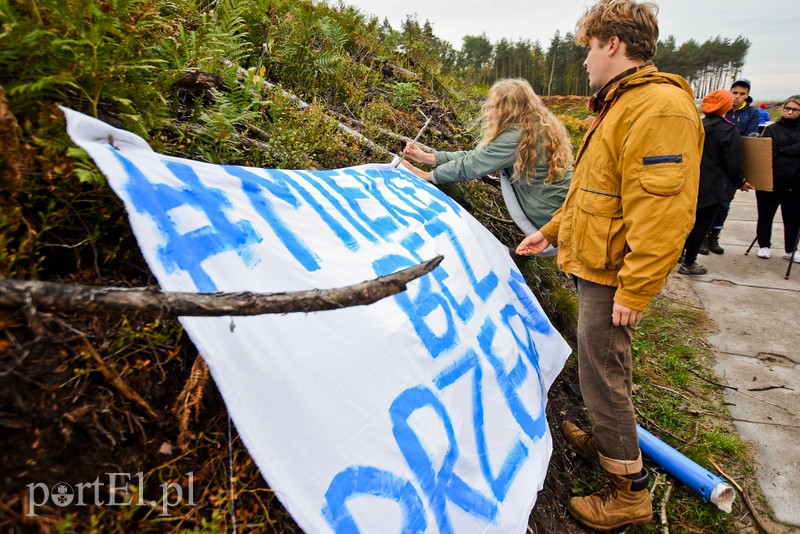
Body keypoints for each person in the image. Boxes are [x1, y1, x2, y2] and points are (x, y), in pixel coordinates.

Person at [515, 0, 703, 529]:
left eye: (591, 48)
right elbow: (594, 191)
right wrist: (552, 231)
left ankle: (628, 491)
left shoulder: (658, 109)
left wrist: (636, 288)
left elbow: (663, 213)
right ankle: (607, 443)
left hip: (613, 273)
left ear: (613, 44)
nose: (585, 61)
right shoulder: (624, 103)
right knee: (601, 367)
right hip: (597, 262)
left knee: (603, 376)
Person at [399, 78, 573, 241]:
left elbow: (472, 165)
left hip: (553, 215)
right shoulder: (534, 128)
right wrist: (428, 157)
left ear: (509, 110)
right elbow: (478, 157)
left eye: (492, 107)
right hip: (563, 210)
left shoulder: (516, 138)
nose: (488, 113)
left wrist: (428, 176)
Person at [679, 90, 751, 275]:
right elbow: (733, 163)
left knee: (684, 224)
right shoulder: (728, 130)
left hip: (688, 182)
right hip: (712, 186)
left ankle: (678, 255)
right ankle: (689, 263)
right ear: (726, 107)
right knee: (701, 226)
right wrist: (740, 182)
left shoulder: (698, 125)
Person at [701, 78, 760, 255]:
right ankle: (702, 237)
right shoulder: (718, 113)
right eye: (735, 93)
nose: (737, 96)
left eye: (742, 94)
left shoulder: (751, 113)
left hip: (733, 162)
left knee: (724, 204)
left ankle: (714, 235)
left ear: (747, 95)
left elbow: (751, 138)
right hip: (714, 164)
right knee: (706, 203)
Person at [754, 95, 800, 262]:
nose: (790, 112)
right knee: (765, 214)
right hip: (772, 179)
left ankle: (791, 249)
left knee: (793, 217)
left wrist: (781, 150)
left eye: (794, 109)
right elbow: (767, 148)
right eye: (787, 108)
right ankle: (764, 245)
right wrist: (790, 150)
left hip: (795, 181)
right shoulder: (772, 129)